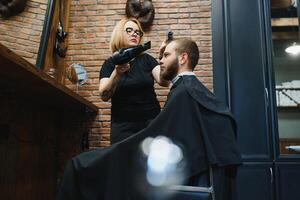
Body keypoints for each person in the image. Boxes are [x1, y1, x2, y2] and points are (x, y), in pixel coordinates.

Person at [57, 38, 242, 200]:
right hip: (145, 145)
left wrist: (112, 153)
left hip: (154, 158)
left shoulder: (184, 92)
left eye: (166, 55)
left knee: (79, 165)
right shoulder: (188, 90)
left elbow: (157, 135)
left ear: (183, 58)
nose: (160, 60)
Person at [99, 17, 169, 144]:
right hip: (122, 126)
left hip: (151, 122)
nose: (134, 34)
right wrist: (117, 73)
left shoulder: (147, 59)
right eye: (129, 30)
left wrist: (163, 57)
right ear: (120, 33)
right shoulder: (109, 64)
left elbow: (164, 81)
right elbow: (104, 95)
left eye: (137, 32)